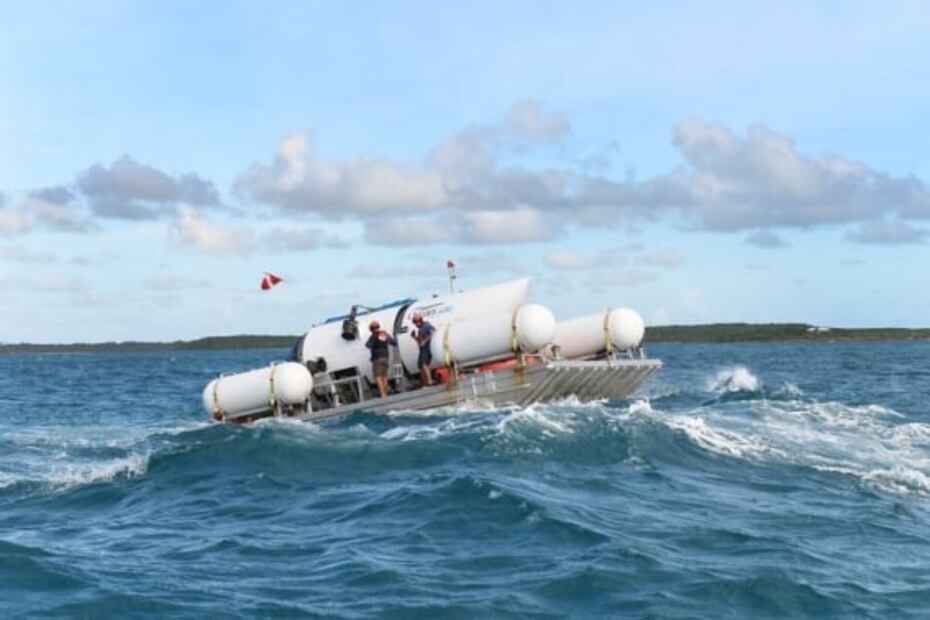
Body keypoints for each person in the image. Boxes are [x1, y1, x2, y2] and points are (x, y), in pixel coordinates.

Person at [365, 320, 397, 398]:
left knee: (378, 376)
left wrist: (374, 344)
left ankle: (383, 394)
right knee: (384, 375)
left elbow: (368, 345)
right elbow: (394, 342)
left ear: (371, 329)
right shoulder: (384, 334)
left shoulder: (373, 336)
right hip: (385, 357)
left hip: (377, 358)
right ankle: (386, 392)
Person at [410, 312, 435, 387]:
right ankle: (425, 382)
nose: (417, 324)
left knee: (424, 364)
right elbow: (420, 341)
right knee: (420, 365)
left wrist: (425, 341)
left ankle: (429, 381)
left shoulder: (426, 325)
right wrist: (414, 337)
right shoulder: (420, 329)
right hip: (422, 348)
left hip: (427, 347)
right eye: (415, 322)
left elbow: (432, 332)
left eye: (418, 321)